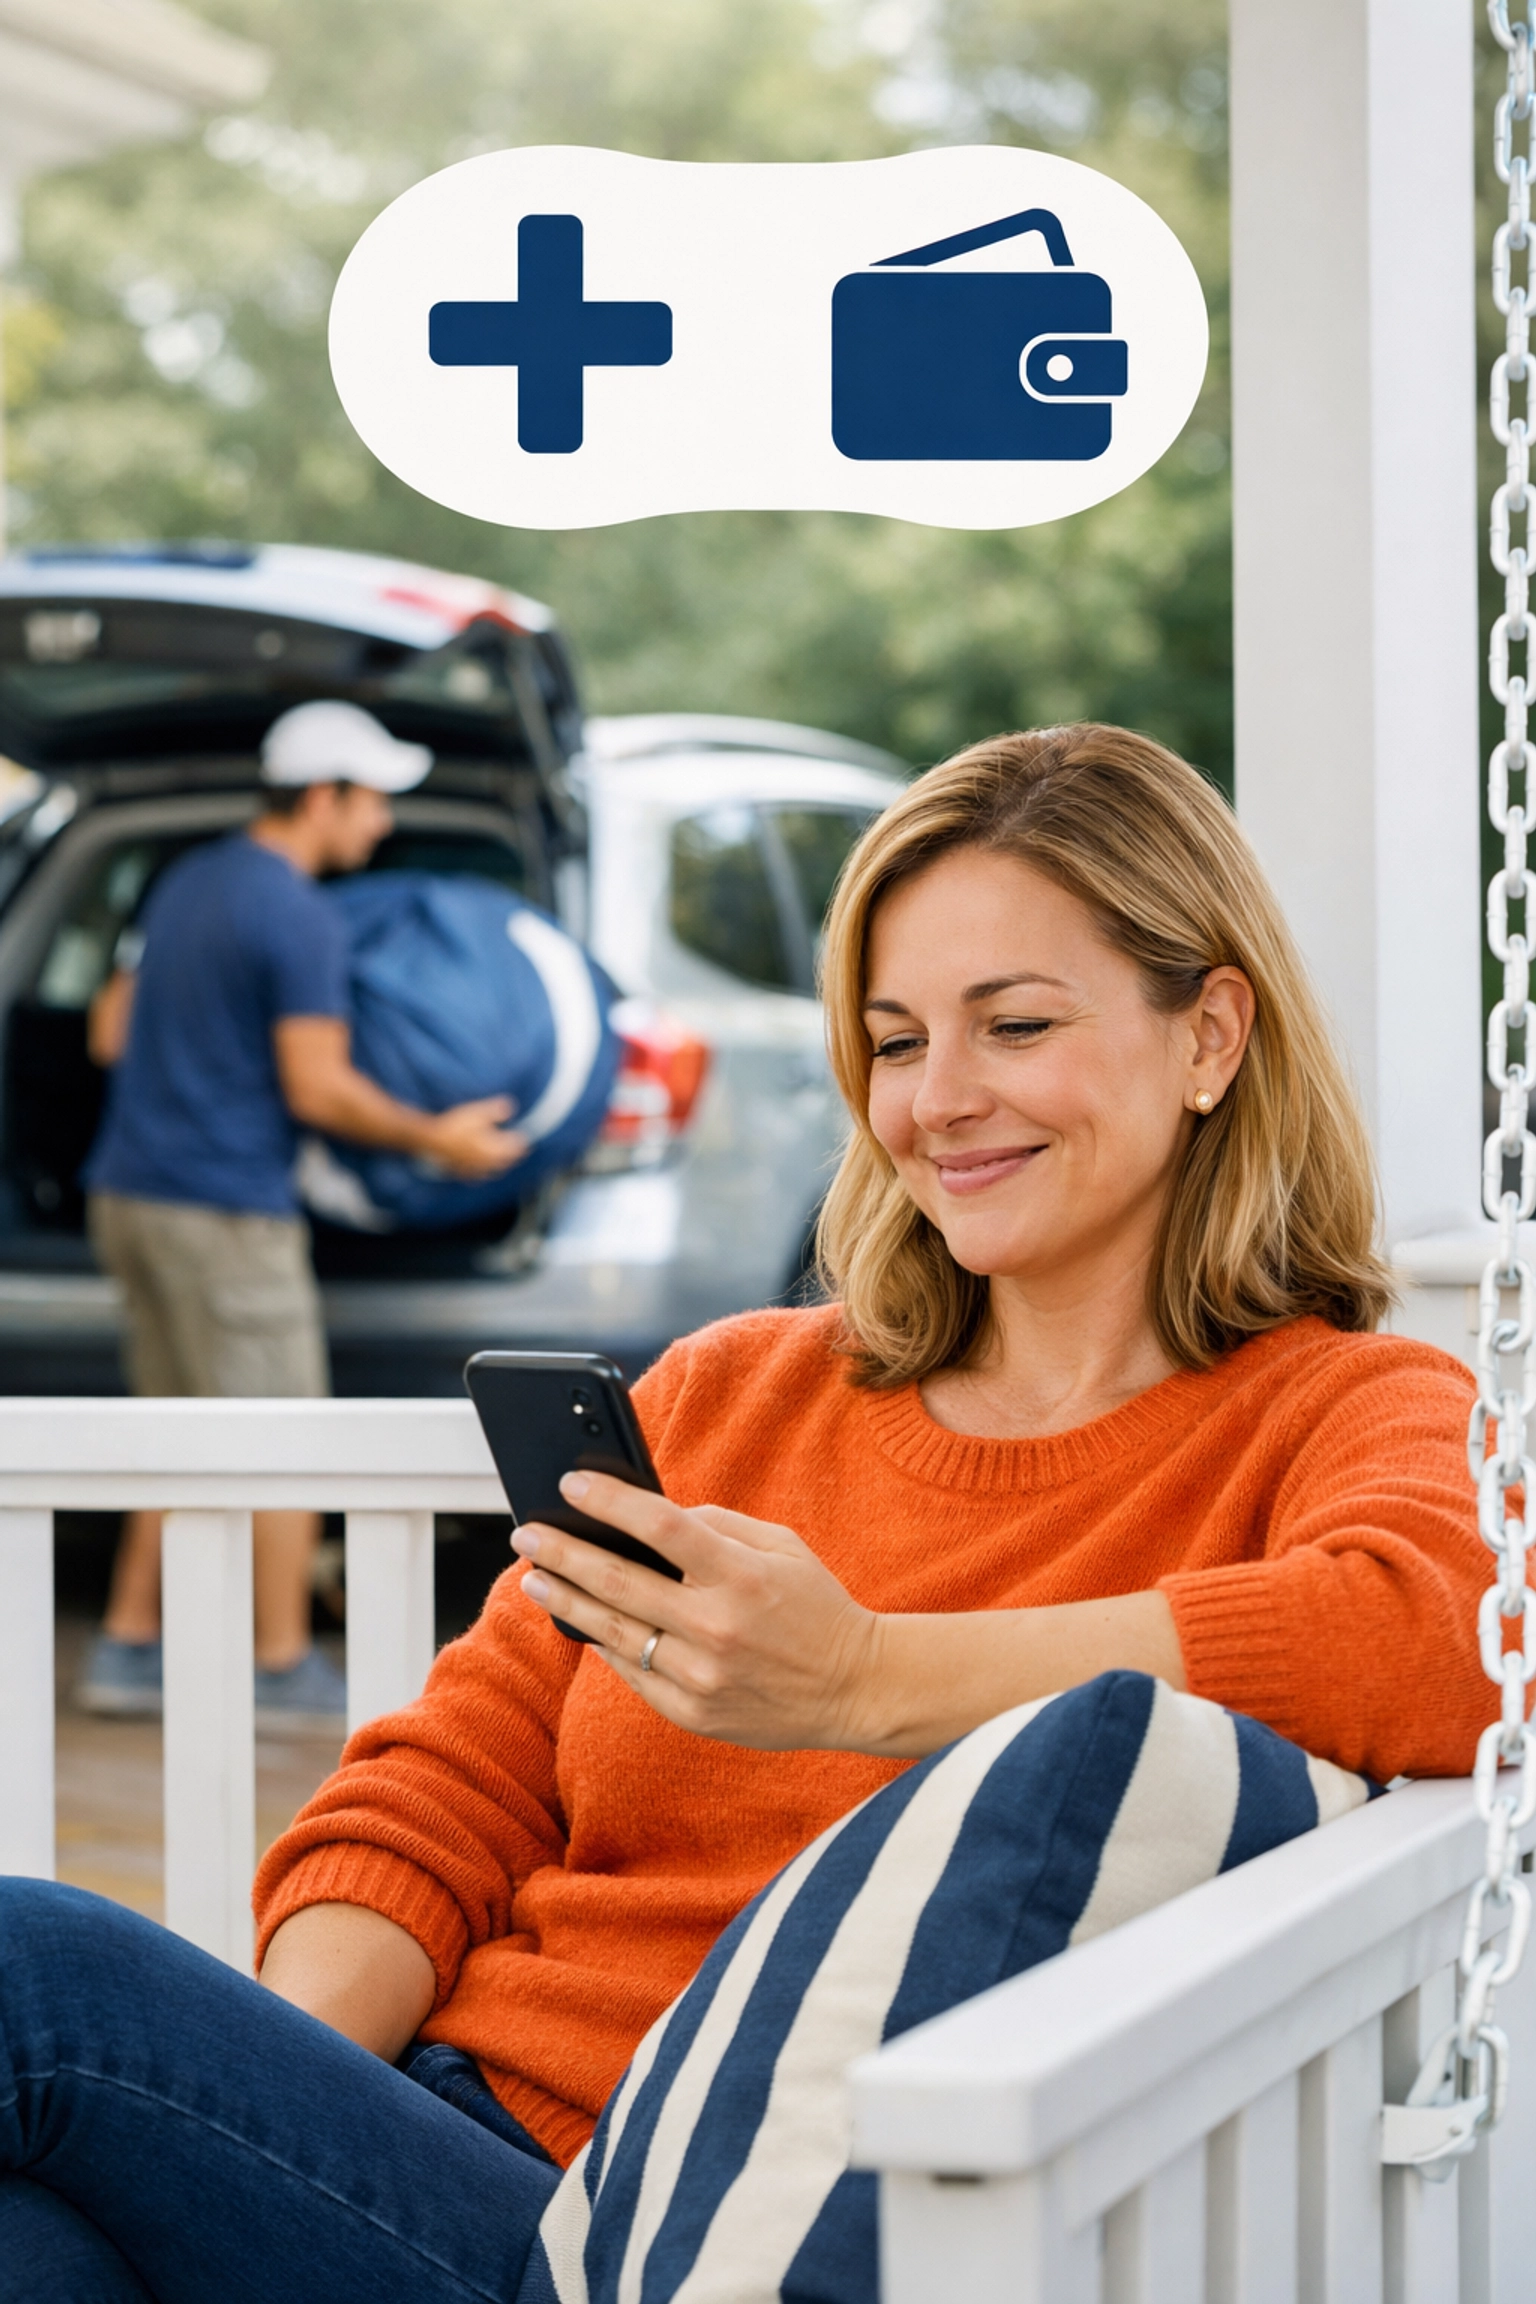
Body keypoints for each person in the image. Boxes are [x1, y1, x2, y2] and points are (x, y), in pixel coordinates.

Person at [0, 724, 1493, 2298]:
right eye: (897, 1042)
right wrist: (248, 2124)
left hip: (638, 2244)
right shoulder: (734, 1392)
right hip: (407, 2164)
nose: (939, 1101)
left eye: (1016, 1025)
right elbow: (441, 1800)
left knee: (34, 1972)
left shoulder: (1340, 1412)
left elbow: (1459, 1636)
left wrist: (862, 1676)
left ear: (1211, 1037)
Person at [74, 700, 525, 1728]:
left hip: (128, 1196)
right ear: (322, 797)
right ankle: (278, 1665)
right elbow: (316, 1088)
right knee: (288, 1440)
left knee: (177, 1427)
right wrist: (441, 1141)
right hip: (225, 1211)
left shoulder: (189, 877)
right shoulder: (298, 915)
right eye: (372, 803)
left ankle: (127, 1648)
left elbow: (109, 1031)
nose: (382, 826)